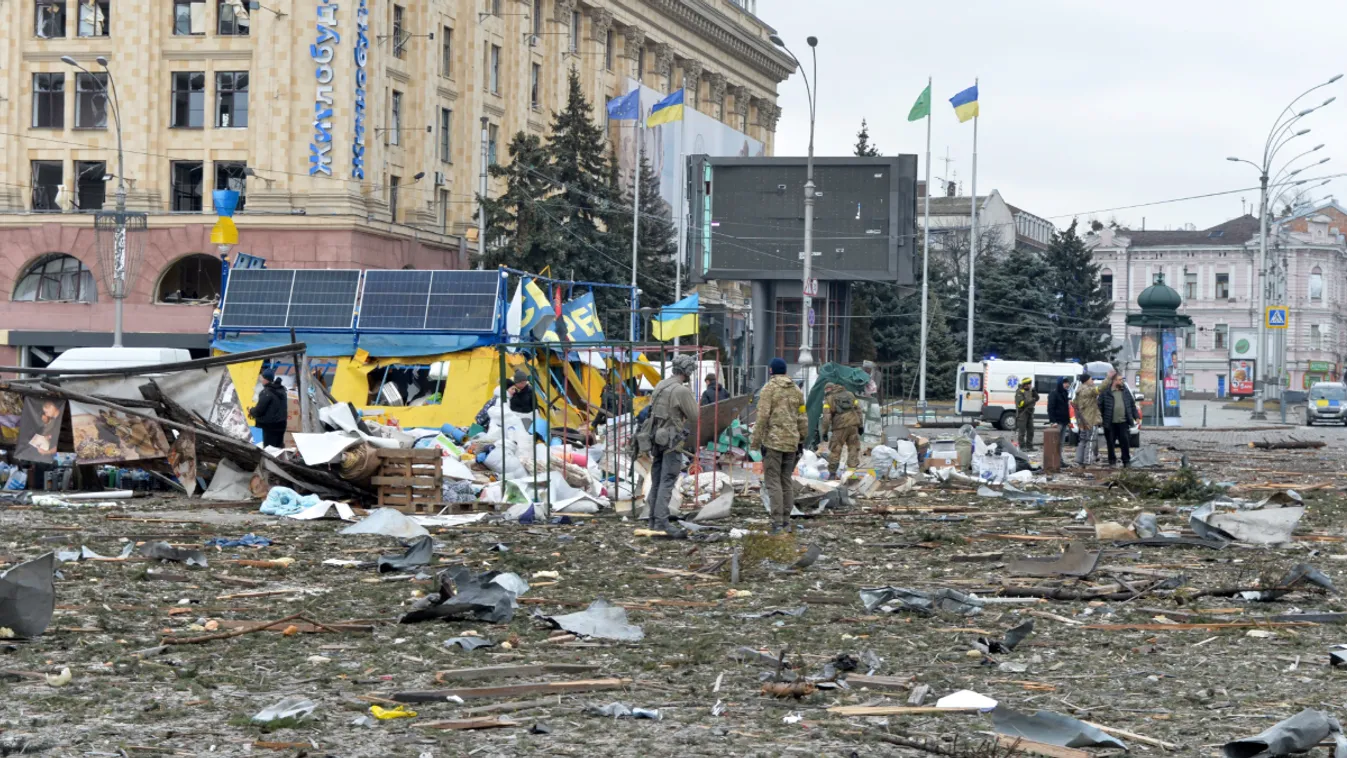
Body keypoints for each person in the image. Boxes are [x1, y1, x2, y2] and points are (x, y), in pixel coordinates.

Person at [751, 357, 807, 533]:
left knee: (773, 481)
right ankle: (786, 521)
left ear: (771, 371)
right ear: (785, 371)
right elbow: (803, 416)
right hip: (792, 442)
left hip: (773, 442)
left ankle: (777, 522)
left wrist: (755, 442)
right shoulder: (796, 390)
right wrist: (801, 439)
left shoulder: (768, 389)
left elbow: (762, 417)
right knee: (786, 480)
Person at [644, 355, 698, 537]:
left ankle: (653, 520)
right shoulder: (681, 390)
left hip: (656, 439)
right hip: (671, 442)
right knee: (667, 480)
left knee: (657, 480)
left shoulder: (661, 385)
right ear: (687, 371)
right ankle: (661, 522)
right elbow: (695, 415)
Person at [820, 382, 862, 479]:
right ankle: (851, 474)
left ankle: (832, 475)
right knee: (853, 448)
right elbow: (858, 410)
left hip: (839, 427)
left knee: (835, 450)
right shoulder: (850, 394)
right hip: (853, 425)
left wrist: (824, 432)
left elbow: (826, 417)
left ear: (828, 389)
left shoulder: (829, 399)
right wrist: (861, 425)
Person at [1098, 371, 1139, 467]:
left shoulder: (1125, 391)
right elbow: (1099, 406)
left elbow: (1132, 405)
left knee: (1125, 443)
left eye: (1122, 380)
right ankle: (1112, 461)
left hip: (1123, 422)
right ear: (1114, 381)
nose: (1122, 382)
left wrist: (1136, 416)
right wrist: (1100, 419)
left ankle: (1126, 461)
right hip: (1110, 423)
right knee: (1110, 443)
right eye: (1120, 380)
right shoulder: (1106, 392)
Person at [249, 369, 288, 448]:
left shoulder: (266, 392)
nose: (261, 380)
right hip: (281, 425)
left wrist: (251, 411)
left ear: (266, 379)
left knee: (267, 449)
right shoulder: (282, 390)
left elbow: (259, 410)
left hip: (268, 427)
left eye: (262, 378)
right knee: (277, 448)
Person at [1072, 373, 1101, 467]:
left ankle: (1078, 460)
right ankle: (1087, 461)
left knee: (1083, 440)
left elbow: (1075, 405)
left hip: (1082, 420)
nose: (1093, 381)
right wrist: (1109, 378)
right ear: (1086, 380)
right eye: (1091, 379)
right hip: (1090, 419)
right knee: (1091, 440)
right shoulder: (1088, 390)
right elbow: (1100, 388)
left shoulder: (1079, 391)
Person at [1046, 376, 1071, 464]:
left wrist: (1068, 421)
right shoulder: (1054, 394)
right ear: (1060, 383)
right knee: (1055, 442)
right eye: (1065, 383)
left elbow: (1066, 408)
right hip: (1057, 422)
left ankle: (1059, 461)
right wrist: (1053, 421)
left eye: (1068, 383)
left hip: (1064, 422)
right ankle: (1054, 461)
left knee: (1061, 443)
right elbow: (1050, 408)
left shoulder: (1065, 393)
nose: (1067, 385)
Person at [1014, 376, 1039, 452]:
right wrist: (1031, 400)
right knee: (1022, 431)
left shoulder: (1031, 391)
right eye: (1029, 384)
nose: (1030, 385)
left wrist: (1035, 393)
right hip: (1022, 414)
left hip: (1030, 413)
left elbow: (1037, 398)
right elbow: (1020, 404)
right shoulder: (1019, 392)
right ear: (1025, 384)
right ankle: (1022, 446)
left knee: (1031, 431)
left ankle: (1029, 446)